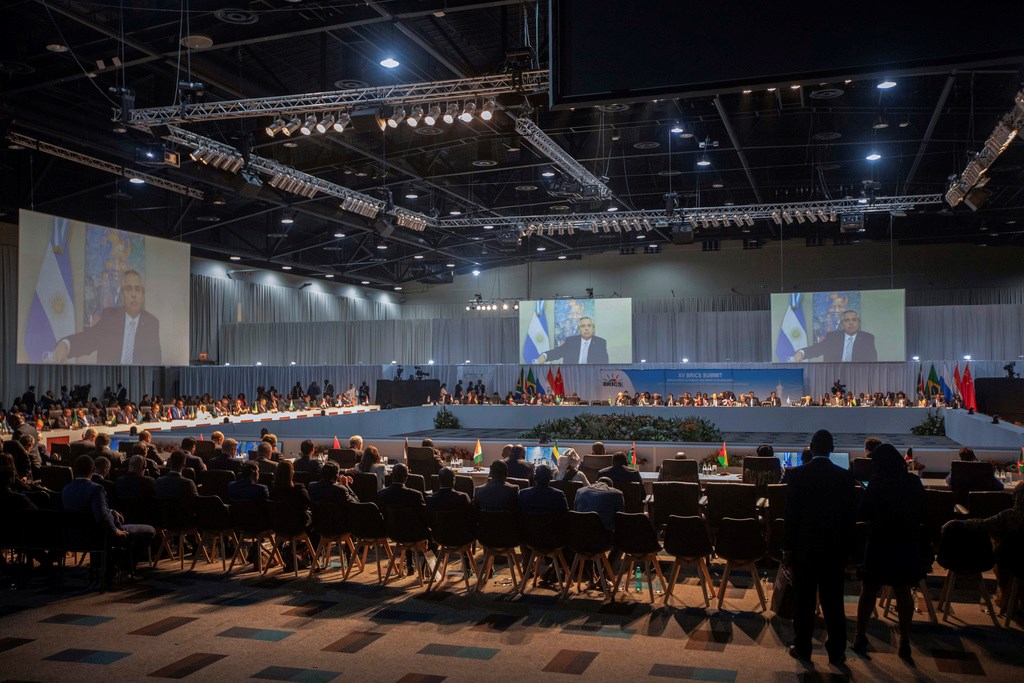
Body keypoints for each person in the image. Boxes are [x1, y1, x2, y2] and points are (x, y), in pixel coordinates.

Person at [783, 429, 858, 666]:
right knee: (834, 603)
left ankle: (803, 647)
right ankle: (837, 651)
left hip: (804, 550)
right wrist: (848, 551)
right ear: (832, 449)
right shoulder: (845, 478)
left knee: (804, 602)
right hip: (834, 551)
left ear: (811, 449)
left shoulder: (796, 476)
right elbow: (850, 519)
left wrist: (787, 548)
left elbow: (790, 517)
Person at [852, 444, 926, 662]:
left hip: (879, 543)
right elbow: (923, 510)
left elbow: (864, 513)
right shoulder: (913, 482)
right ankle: (904, 641)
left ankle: (860, 637)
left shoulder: (877, 483)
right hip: (904, 543)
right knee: (902, 591)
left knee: (868, 592)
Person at [62, 455, 155, 581]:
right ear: (93, 468)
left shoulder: (66, 489)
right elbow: (102, 518)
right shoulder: (96, 489)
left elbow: (86, 510)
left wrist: (110, 511)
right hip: (100, 535)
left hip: (75, 536)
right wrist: (115, 530)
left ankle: (112, 566)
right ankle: (126, 569)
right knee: (149, 530)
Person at [51, 270, 162, 365]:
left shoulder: (151, 323)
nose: (133, 294)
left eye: (137, 289)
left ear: (142, 296)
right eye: (128, 289)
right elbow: (87, 339)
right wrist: (66, 345)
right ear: (123, 295)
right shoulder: (110, 318)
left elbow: (155, 361)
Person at [962, 481, 1024, 615]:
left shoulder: (1008, 516)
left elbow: (983, 525)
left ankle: (1007, 600)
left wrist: (960, 522)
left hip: (1010, 561)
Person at [791, 310, 877, 362]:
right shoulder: (833, 337)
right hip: (834, 376)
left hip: (858, 376)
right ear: (842, 323)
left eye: (854, 320)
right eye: (847, 320)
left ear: (858, 322)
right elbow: (817, 349)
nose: (851, 323)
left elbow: (872, 360)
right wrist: (802, 353)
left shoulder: (867, 338)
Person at [537, 316, 609, 365]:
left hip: (592, 377)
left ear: (593, 328)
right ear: (579, 329)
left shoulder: (600, 343)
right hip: (571, 376)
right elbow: (557, 352)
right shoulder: (571, 341)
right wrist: (545, 355)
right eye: (583, 326)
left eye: (589, 326)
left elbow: (604, 363)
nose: (586, 329)